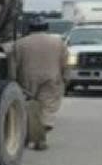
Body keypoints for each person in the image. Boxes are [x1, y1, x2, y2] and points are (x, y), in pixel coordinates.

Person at [8, 18, 69, 150]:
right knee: (48, 107)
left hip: (27, 78)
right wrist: (65, 78)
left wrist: (13, 80)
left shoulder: (20, 44)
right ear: (46, 28)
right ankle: (41, 134)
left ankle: (30, 135)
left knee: (29, 106)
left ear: (30, 28)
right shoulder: (58, 42)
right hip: (51, 78)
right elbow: (65, 63)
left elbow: (13, 64)